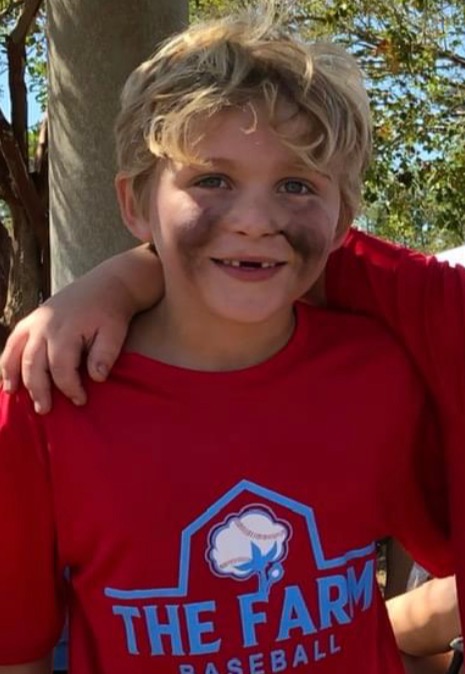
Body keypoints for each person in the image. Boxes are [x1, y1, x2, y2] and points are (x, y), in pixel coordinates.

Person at [0, 6, 459, 674]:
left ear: (342, 221)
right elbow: (17, 649)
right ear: (133, 204)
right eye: (211, 179)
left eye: (296, 185)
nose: (255, 220)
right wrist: (120, 278)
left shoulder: (380, 375)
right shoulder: (48, 395)